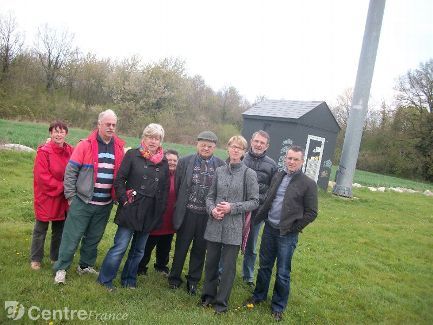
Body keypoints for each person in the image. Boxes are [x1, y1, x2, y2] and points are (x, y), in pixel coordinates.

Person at [245, 145, 318, 321]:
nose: (291, 162)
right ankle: (259, 295)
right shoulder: (279, 175)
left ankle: (278, 306)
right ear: (285, 159)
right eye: (289, 158)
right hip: (270, 228)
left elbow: (312, 212)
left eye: (295, 159)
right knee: (264, 266)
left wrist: (294, 228)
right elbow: (271, 198)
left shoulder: (308, 184)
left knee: (283, 272)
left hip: (287, 233)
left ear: (301, 162)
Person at [53, 109, 125, 284]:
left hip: (105, 203)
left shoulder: (119, 148)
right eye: (107, 124)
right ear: (99, 124)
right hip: (82, 201)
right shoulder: (85, 145)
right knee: (72, 236)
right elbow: (71, 172)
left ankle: (85, 266)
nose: (111, 127)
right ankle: (61, 268)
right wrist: (70, 197)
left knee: (94, 237)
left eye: (114, 125)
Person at [97, 124, 169, 290]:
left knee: (138, 250)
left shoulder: (163, 162)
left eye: (156, 138)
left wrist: (159, 211)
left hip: (150, 211)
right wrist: (125, 201)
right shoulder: (132, 155)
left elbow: (164, 190)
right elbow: (119, 180)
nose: (153, 141)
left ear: (160, 141)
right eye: (150, 137)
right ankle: (105, 280)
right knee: (120, 247)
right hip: (131, 208)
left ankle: (129, 280)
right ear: (144, 138)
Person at [200, 135, 259, 314]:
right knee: (210, 263)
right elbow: (210, 196)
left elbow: (255, 201)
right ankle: (207, 297)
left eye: (239, 148)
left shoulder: (249, 174)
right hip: (214, 225)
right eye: (232, 146)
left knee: (227, 268)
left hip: (233, 228)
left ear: (243, 152)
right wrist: (212, 210)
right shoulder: (219, 171)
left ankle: (221, 304)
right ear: (228, 148)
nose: (235, 150)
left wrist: (232, 207)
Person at [168, 131, 225, 295]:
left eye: (209, 146)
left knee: (200, 249)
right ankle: (174, 278)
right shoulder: (185, 162)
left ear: (214, 147)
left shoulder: (220, 165)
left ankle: (193, 280)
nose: (206, 148)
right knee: (181, 247)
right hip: (187, 213)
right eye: (203, 145)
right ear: (197, 145)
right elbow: (178, 186)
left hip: (207, 216)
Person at [30, 121, 73, 270]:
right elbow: (42, 177)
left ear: (66, 134)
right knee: (40, 229)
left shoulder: (70, 151)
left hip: (62, 198)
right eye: (56, 131)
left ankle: (55, 257)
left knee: (59, 230)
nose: (59, 134)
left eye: (62, 132)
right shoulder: (44, 152)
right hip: (46, 196)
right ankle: (36, 259)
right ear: (50, 133)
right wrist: (64, 186)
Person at [242, 130, 277, 287]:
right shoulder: (240, 157)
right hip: (237, 209)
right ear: (251, 141)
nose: (258, 144)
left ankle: (248, 276)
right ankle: (222, 271)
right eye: (256, 141)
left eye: (262, 143)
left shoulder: (272, 165)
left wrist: (264, 210)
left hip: (257, 212)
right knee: (229, 243)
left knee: (251, 245)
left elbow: (272, 190)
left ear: (267, 146)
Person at [137, 149, 179, 276]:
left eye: (174, 160)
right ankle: (141, 266)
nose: (172, 162)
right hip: (155, 217)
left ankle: (161, 266)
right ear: (164, 161)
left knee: (165, 246)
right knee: (148, 245)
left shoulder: (179, 177)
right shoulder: (158, 174)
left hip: (170, 219)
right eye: (169, 160)